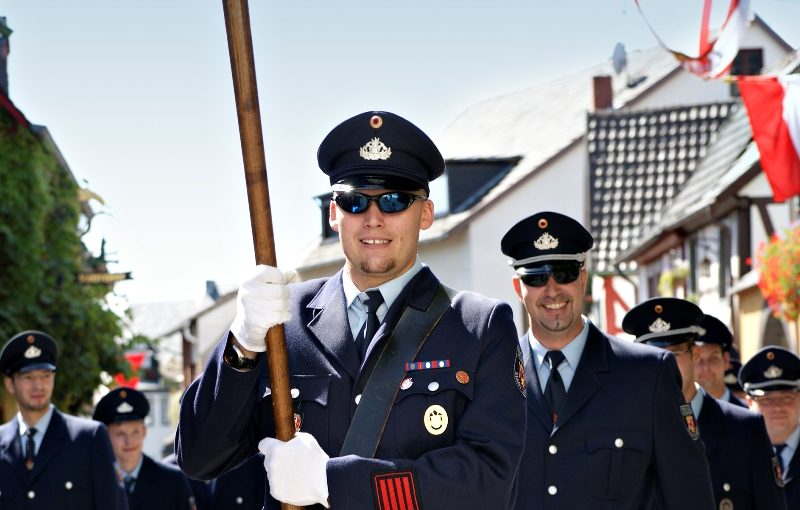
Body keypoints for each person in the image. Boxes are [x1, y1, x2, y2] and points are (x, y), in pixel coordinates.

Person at [176, 111, 527, 509]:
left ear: (425, 213)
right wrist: (241, 346)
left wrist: (331, 482)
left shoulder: (478, 327)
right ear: (333, 212)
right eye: (354, 201)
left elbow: (489, 483)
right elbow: (200, 457)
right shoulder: (281, 321)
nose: (373, 219)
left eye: (395, 201)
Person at [500, 211, 714, 509]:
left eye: (564, 273)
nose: (552, 290)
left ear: (583, 279)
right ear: (517, 288)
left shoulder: (648, 375)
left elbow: (689, 497)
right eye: (535, 277)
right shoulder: (493, 376)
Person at [624, 298, 787, 510]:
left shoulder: (745, 429)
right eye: (651, 357)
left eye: (672, 355)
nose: (661, 367)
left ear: (695, 355)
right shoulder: (625, 430)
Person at [0, 330, 127, 509]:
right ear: (10, 384)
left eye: (45, 375)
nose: (38, 385)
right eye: (28, 377)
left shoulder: (88, 438)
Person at [93, 387, 195, 509]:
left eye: (135, 432)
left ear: (144, 431)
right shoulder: (94, 482)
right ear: (106, 435)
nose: (129, 441)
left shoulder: (172, 480)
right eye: (120, 434)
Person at [739, 346, 800, 508]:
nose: (777, 407)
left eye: (786, 398)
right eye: (766, 400)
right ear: (750, 403)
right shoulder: (736, 453)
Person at [695, 314, 748, 408]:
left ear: (726, 360)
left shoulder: (750, 416)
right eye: (698, 359)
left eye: (713, 358)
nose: (706, 368)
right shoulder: (677, 415)